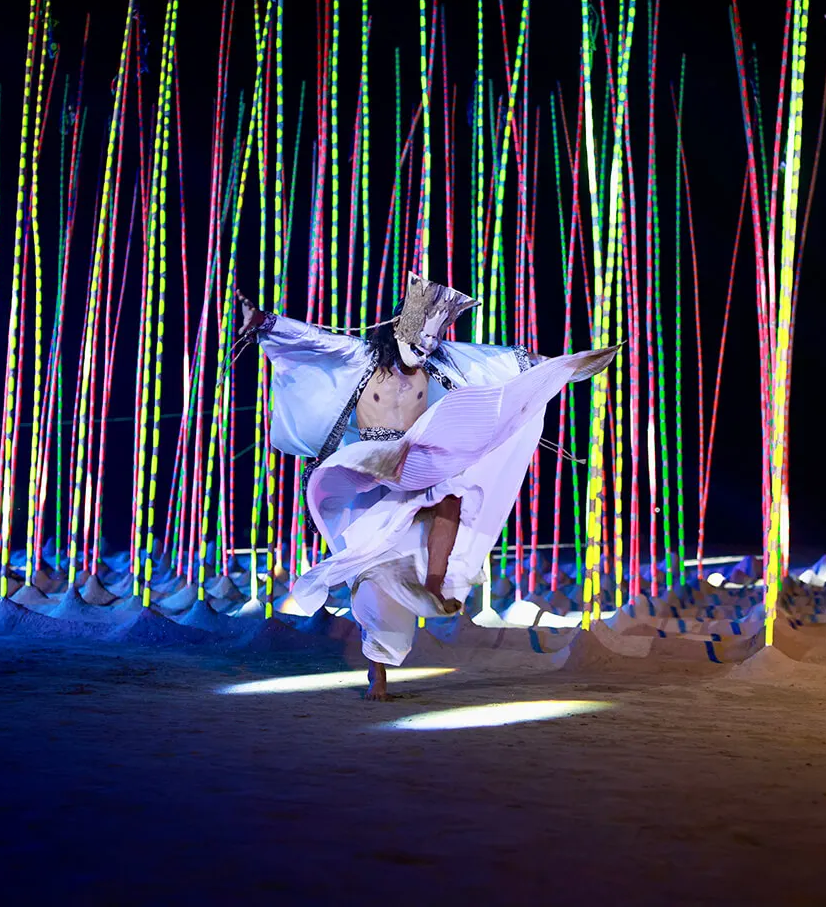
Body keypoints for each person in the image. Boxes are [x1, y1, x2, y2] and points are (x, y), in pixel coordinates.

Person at [238, 272, 616, 699]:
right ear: (400, 330)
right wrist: (265, 321)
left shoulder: (440, 361)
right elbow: (317, 339)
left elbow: (495, 362)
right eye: (421, 343)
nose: (427, 351)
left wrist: (562, 367)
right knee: (373, 570)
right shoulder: (361, 356)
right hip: (369, 464)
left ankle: (432, 585)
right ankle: (377, 671)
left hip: (414, 460)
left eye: (432, 344)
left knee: (451, 495)